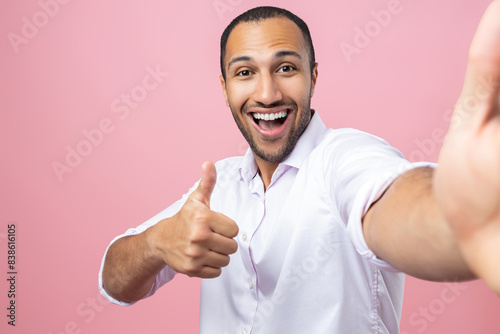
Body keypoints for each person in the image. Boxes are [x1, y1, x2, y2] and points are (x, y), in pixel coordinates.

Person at [99, 4, 500, 333]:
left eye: (286, 68)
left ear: (313, 76)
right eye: (244, 73)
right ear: (224, 88)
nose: (268, 93)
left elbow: (389, 204)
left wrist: (454, 216)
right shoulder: (215, 187)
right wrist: (155, 243)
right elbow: (114, 282)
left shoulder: (343, 157)